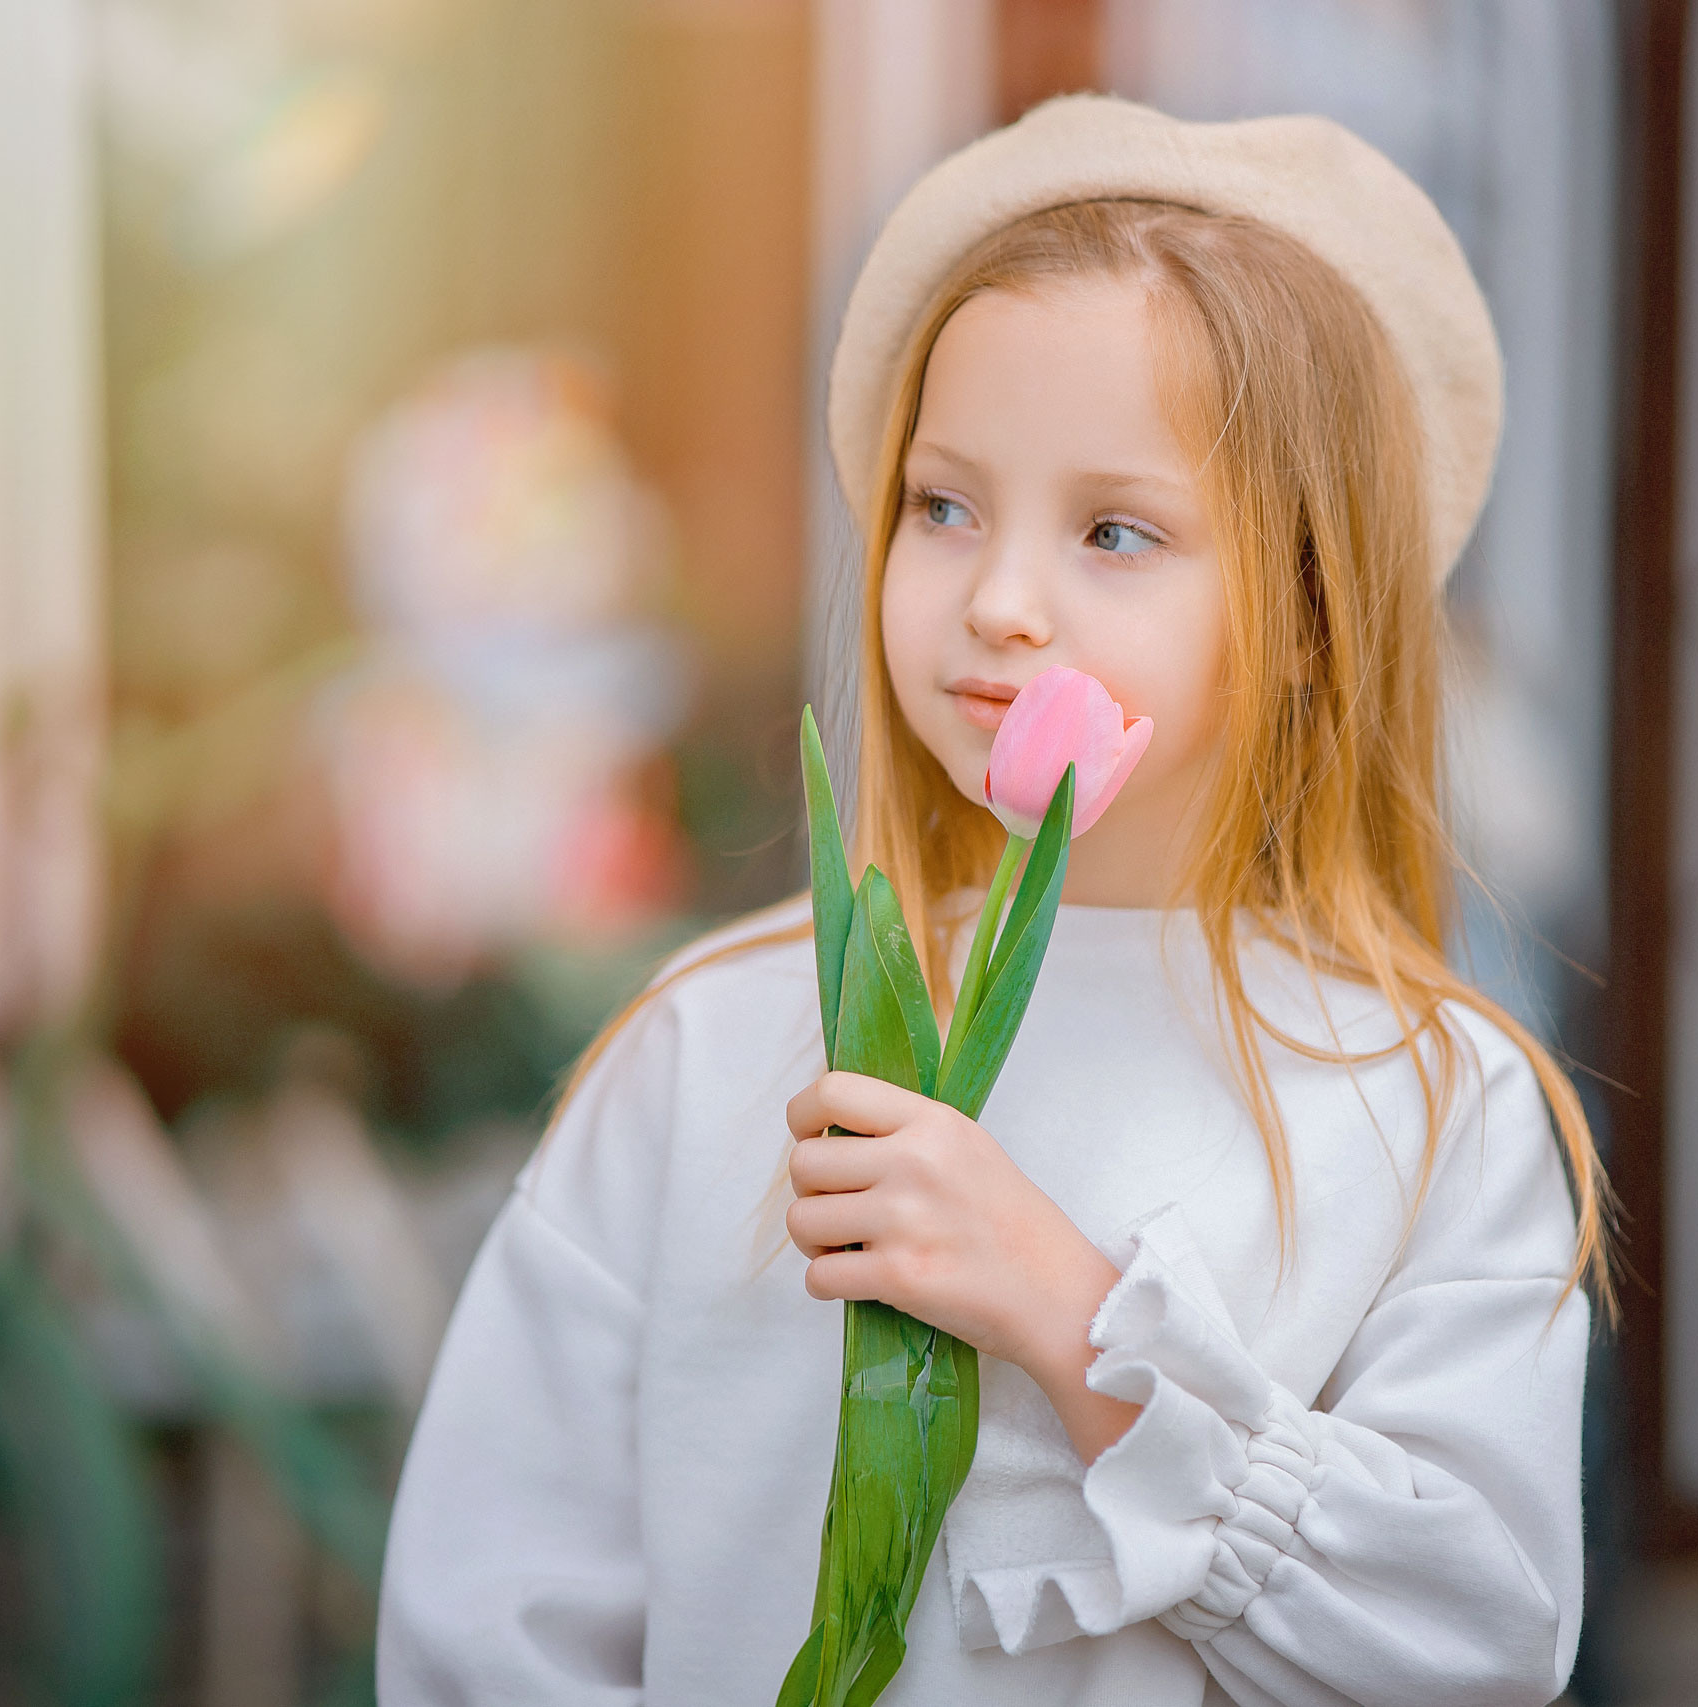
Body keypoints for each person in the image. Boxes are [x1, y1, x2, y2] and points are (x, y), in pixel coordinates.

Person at [376, 93, 1612, 1707]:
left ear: (1312, 611)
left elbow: (1476, 1641)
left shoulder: (1432, 1111)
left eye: (1115, 531)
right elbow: (495, 1616)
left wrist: (1077, 1316)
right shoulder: (709, 1049)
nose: (1000, 601)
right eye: (943, 505)